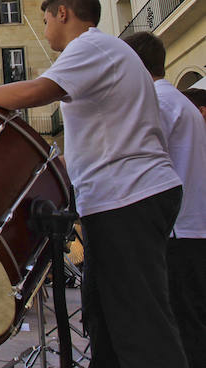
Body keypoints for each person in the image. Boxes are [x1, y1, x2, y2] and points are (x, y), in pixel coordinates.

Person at [0, 0, 186, 367]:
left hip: (129, 196)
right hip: (120, 198)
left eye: (44, 20)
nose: (44, 31)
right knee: (106, 318)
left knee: (139, 321)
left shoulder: (90, 46)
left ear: (63, 13)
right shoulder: (103, 52)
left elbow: (37, 91)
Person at [124, 32, 206, 367]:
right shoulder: (180, 102)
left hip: (175, 232)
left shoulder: (155, 104)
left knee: (179, 330)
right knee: (193, 325)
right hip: (192, 229)